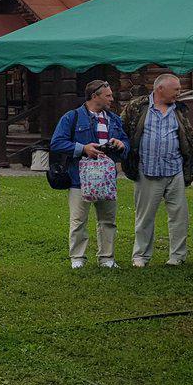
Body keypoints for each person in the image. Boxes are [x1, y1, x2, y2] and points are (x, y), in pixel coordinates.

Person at [49, 80, 129, 270]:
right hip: (79, 178)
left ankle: (107, 258)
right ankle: (77, 258)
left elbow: (126, 143)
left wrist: (122, 145)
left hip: (107, 180)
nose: (112, 98)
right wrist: (82, 148)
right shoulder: (72, 117)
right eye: (108, 95)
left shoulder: (114, 119)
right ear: (95, 96)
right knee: (78, 220)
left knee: (108, 220)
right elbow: (56, 143)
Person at [122, 73, 193, 267]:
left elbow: (187, 136)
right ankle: (141, 257)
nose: (179, 93)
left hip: (174, 170)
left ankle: (177, 257)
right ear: (160, 89)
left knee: (179, 217)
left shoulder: (179, 109)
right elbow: (122, 129)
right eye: (176, 89)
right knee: (144, 218)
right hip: (147, 170)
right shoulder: (137, 107)